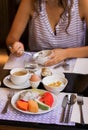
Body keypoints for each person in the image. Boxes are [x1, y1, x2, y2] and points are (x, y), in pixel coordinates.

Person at [6, 0, 88, 66]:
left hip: (73, 67)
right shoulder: (29, 2)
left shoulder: (82, 2)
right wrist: (15, 46)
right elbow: (11, 40)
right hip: (37, 66)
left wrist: (66, 53)